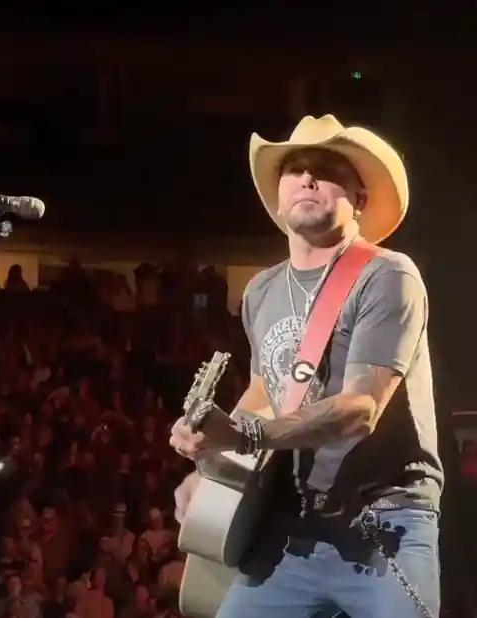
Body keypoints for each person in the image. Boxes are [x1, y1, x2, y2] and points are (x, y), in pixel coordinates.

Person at [169, 115, 442, 618]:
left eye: (325, 168)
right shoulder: (260, 291)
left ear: (360, 196)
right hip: (292, 529)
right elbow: (265, 390)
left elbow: (360, 408)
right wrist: (215, 464)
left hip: (383, 522)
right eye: (294, 169)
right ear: (277, 197)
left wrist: (247, 439)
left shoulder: (387, 275)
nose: (307, 178)